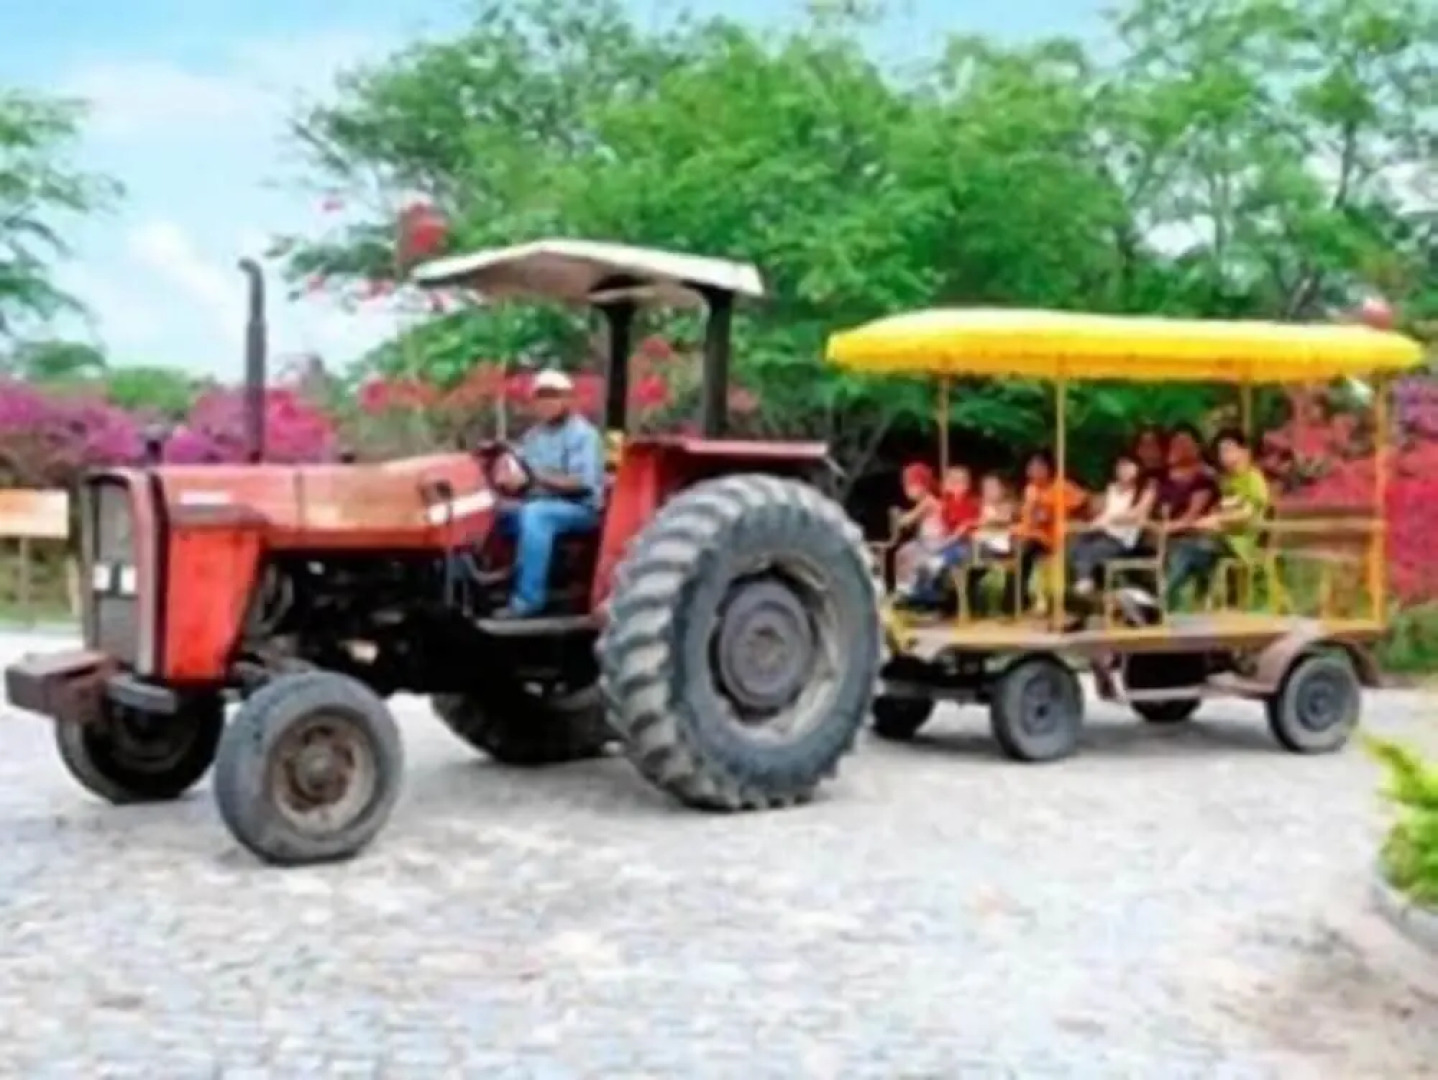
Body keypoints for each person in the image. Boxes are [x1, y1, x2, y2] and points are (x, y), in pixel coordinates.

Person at [491, 369, 606, 619]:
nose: (546, 403)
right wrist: (509, 479)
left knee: (536, 516)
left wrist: (534, 478)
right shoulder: (534, 436)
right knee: (493, 515)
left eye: (553, 396)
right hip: (540, 501)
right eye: (541, 396)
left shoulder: (583, 435)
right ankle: (491, 587)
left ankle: (528, 600)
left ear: (568, 400)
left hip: (580, 508)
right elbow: (522, 475)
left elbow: (581, 483)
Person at [1068, 449, 1155, 602]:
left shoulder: (1145, 490)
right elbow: (1099, 512)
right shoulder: (1111, 489)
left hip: (1123, 540)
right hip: (1104, 532)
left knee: (1094, 550)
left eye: (1129, 466)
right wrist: (1094, 522)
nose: (1124, 471)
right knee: (1076, 543)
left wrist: (1112, 518)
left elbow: (1137, 514)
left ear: (1137, 468)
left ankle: (1085, 582)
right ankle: (1083, 584)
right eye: (1120, 467)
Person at [1011, 449, 1087, 614]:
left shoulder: (1061, 486)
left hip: (1054, 537)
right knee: (1020, 545)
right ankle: (1019, 598)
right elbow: (1027, 518)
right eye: (1031, 467)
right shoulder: (1030, 490)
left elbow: (1082, 502)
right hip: (1032, 534)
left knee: (1027, 548)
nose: (1034, 471)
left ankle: (1017, 599)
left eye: (1039, 466)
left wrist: (1055, 512)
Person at [1198, 428, 1272, 598]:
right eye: (1221, 451)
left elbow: (1247, 515)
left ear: (1244, 451)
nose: (1224, 455)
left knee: (1196, 550)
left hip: (1243, 542)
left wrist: (1218, 520)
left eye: (1229, 449)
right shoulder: (1226, 481)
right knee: (1192, 546)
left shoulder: (1254, 479)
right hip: (1224, 538)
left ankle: (1177, 600)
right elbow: (1219, 508)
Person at [1156, 423, 1223, 609]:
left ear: (1197, 446)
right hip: (1168, 540)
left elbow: (1192, 516)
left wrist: (1168, 528)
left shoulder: (1204, 477)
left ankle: (1164, 602)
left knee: (1184, 553)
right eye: (1176, 443)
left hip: (1200, 537)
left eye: (1185, 443)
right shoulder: (1164, 477)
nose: (1180, 447)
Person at [908, 465, 982, 604]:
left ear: (966, 485)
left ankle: (932, 593)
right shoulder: (946, 503)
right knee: (923, 559)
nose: (954, 486)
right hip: (948, 543)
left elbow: (969, 525)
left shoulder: (970, 503)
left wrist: (956, 534)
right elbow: (942, 524)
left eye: (958, 482)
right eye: (951, 482)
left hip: (965, 544)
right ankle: (923, 593)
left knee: (940, 560)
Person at [892, 462, 944, 602]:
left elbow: (908, 520)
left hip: (935, 542)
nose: (907, 490)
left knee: (904, 554)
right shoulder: (927, 501)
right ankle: (913, 591)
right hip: (928, 541)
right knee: (906, 554)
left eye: (910, 486)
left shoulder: (928, 502)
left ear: (922, 485)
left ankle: (907, 590)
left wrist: (898, 517)